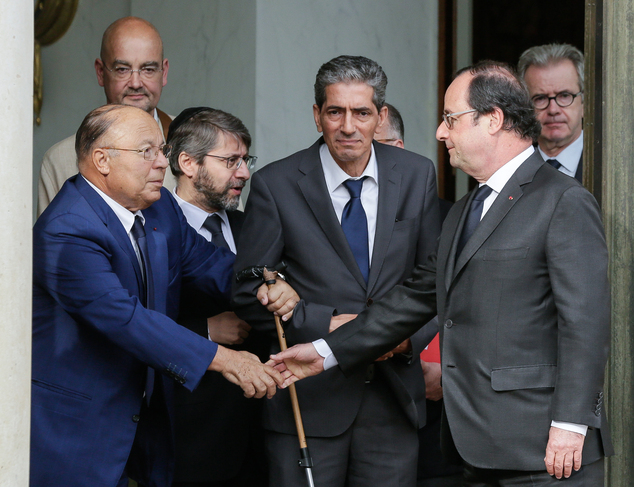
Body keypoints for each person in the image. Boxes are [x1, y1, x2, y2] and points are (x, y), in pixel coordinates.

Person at [271, 61, 612, 486]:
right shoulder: (466, 208)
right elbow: (413, 298)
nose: (440, 132)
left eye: (451, 119)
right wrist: (326, 351)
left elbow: (585, 323)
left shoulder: (562, 200)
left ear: (494, 120)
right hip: (477, 449)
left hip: (546, 450)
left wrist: (571, 424)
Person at [31, 104, 296, 487]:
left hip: (149, 420)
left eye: (162, 151)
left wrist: (269, 285)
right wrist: (227, 360)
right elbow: (128, 321)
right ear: (102, 160)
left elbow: (213, 267)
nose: (162, 163)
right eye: (147, 152)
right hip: (78, 427)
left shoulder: (160, 208)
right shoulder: (67, 229)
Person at [232, 55, 441, 487]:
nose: (348, 126)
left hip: (392, 401)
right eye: (335, 112)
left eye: (362, 112)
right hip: (307, 404)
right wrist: (327, 322)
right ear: (317, 115)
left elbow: (436, 282)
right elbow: (246, 288)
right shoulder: (276, 183)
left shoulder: (417, 174)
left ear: (380, 117)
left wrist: (401, 339)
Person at [167, 107, 283, 486]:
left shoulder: (254, 227)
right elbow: (134, 320)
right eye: (231, 160)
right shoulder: (154, 229)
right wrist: (205, 330)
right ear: (187, 162)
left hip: (261, 430)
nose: (245, 173)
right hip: (187, 433)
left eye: (245, 159)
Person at [375, 105, 462, 487]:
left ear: (399, 148)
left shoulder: (455, 218)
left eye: (373, 147)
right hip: (355, 408)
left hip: (437, 408)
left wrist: (443, 371)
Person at [38, 16, 177, 216]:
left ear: (163, 73)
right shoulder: (60, 160)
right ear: (101, 72)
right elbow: (52, 245)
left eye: (148, 69)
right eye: (122, 69)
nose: (136, 82)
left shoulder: (200, 144)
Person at [518, 43, 584, 182]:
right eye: (540, 98)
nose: (553, 110)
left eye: (564, 96)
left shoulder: (609, 164)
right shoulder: (513, 172)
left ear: (584, 103)